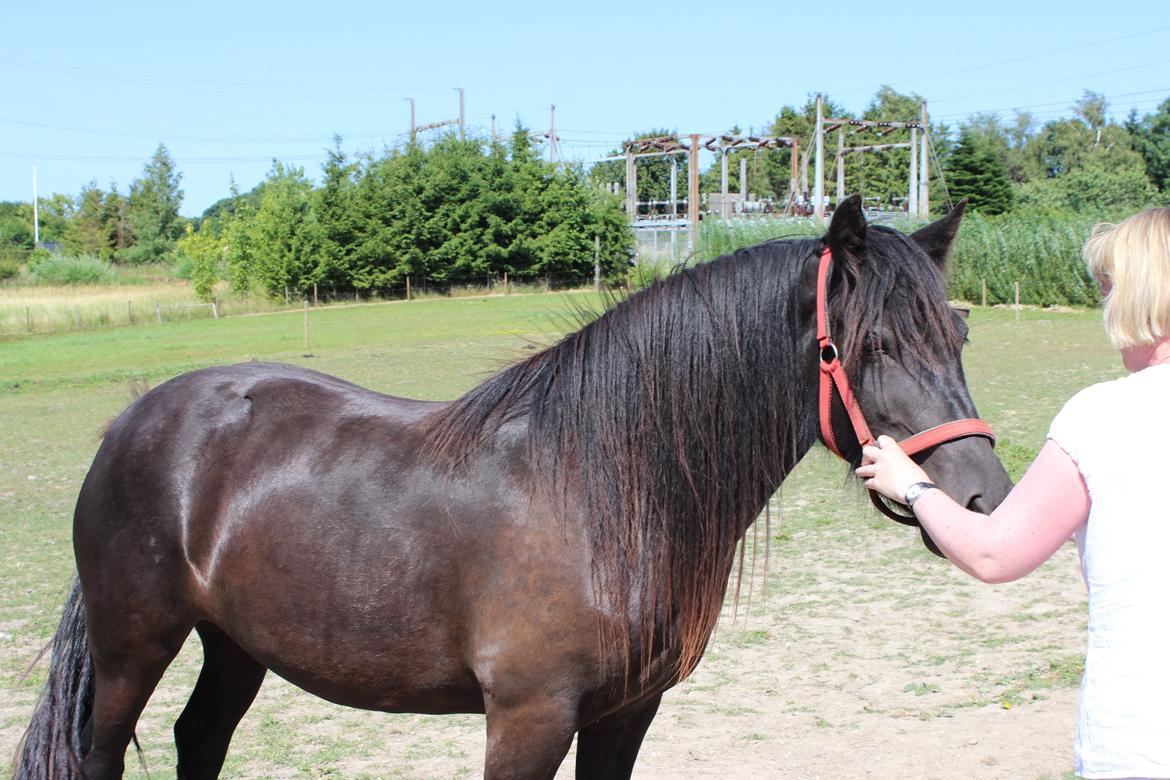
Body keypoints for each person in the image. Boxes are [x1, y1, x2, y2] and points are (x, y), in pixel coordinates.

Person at [856, 207, 1170, 780]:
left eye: (1110, 288)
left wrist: (913, 485)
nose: (1104, 304)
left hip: (1145, 735)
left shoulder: (1107, 416)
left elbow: (995, 554)